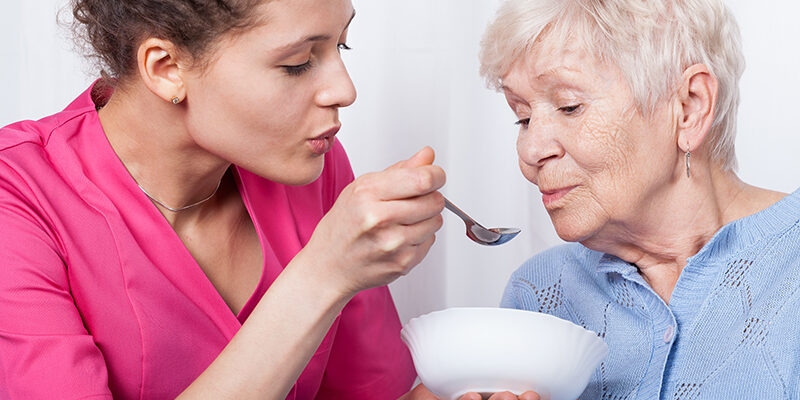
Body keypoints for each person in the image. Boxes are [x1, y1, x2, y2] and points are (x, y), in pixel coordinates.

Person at [0, 0, 449, 398]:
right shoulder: (18, 194)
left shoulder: (312, 163)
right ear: (166, 68)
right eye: (297, 63)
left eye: (341, 45)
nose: (345, 91)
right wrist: (321, 276)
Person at [479, 0, 800, 398]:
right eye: (524, 117)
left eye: (569, 107)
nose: (530, 152)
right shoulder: (538, 294)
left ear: (689, 108)